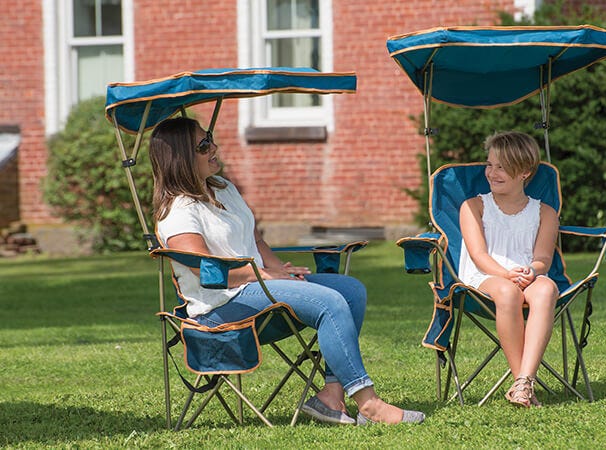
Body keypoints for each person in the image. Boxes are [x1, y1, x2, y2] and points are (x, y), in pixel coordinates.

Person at [149, 117, 424, 425]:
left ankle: (331, 397)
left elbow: (255, 238)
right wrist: (262, 275)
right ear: (180, 158)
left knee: (350, 290)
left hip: (257, 290)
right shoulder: (178, 213)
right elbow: (206, 272)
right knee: (328, 302)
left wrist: (279, 270)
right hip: (220, 308)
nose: (214, 147)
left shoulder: (223, 188)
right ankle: (368, 402)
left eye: (209, 138)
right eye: (203, 145)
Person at [458, 130, 559, 408]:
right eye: (490, 165)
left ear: (525, 172)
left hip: (526, 274)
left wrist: (532, 270)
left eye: (502, 167)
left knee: (547, 289)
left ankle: (524, 382)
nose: (492, 172)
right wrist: (506, 274)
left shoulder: (545, 212)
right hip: (487, 276)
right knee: (507, 292)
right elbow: (478, 255)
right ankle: (522, 384)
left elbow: (543, 258)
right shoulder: (473, 206)